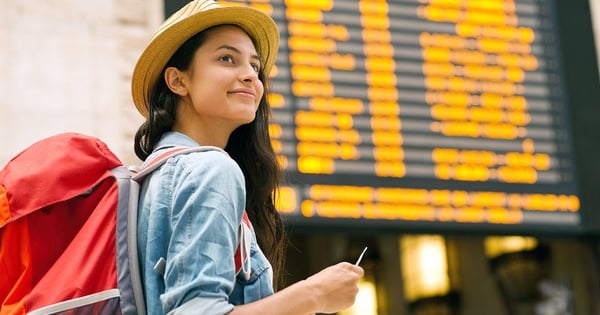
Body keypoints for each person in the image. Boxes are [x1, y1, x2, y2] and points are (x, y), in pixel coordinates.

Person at [130, 0, 364, 314]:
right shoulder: (210, 169)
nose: (251, 76)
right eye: (227, 59)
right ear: (177, 80)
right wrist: (317, 294)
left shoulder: (151, 177)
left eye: (254, 66)